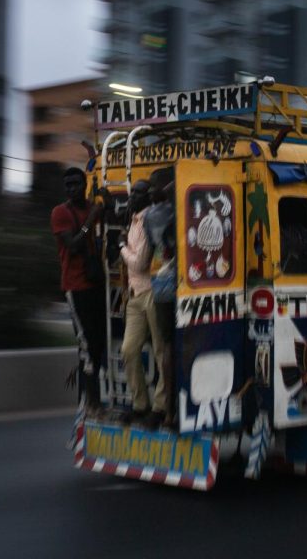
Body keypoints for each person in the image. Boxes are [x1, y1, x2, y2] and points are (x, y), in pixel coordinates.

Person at [51, 167, 106, 419]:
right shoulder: (60, 213)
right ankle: (90, 405)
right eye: (67, 185)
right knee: (85, 347)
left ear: (84, 184)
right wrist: (91, 220)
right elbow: (72, 245)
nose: (71, 189)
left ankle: (92, 400)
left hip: (95, 285)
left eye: (75, 184)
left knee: (97, 345)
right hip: (75, 287)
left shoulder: (90, 207)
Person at [119, 178, 163, 428]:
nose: (132, 197)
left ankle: (159, 407)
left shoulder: (148, 220)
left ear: (147, 197)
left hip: (151, 292)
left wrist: (122, 247)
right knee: (128, 350)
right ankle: (140, 404)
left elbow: (140, 263)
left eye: (137, 194)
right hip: (135, 293)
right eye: (132, 193)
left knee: (160, 353)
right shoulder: (134, 220)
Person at [144, 167, 176, 426]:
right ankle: (173, 410)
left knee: (165, 347)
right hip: (174, 284)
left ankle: (168, 409)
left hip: (158, 283)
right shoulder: (169, 210)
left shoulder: (148, 216)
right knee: (172, 347)